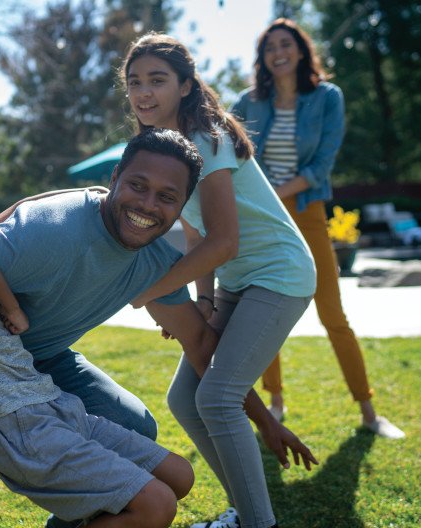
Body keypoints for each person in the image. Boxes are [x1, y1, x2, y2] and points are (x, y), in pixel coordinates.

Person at [0, 129, 316, 528]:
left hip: (36, 362)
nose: (148, 204)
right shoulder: (47, 230)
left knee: (133, 424)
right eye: (137, 185)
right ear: (116, 178)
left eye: (167, 196)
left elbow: (201, 343)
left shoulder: (156, 266)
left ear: (184, 204)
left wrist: (265, 422)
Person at [0, 171, 195, 528]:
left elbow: (15, 213)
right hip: (0, 406)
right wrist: (12, 308)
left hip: (41, 395)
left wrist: (92, 196)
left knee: (165, 460)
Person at [122, 33, 318, 528]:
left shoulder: (206, 138)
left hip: (278, 273)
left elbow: (224, 241)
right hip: (235, 281)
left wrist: (149, 291)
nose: (144, 93)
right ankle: (248, 511)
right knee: (186, 399)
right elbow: (197, 235)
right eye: (134, 82)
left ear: (186, 86)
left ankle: (258, 524)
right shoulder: (167, 148)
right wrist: (202, 301)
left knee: (216, 397)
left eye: (157, 80)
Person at [231, 18, 405, 439]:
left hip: (306, 209)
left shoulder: (327, 97)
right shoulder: (248, 102)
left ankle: (368, 411)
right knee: (261, 309)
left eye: (286, 43)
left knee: (332, 312)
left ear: (301, 50)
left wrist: (276, 193)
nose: (278, 52)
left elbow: (321, 164)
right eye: (269, 45)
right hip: (261, 215)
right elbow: (231, 154)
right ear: (263, 56)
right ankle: (274, 402)